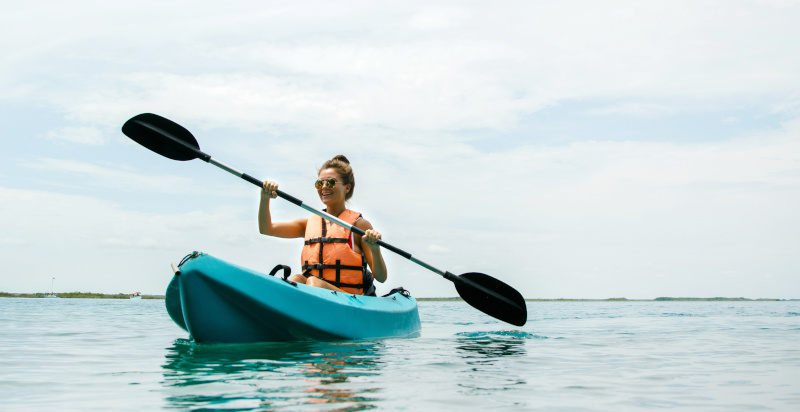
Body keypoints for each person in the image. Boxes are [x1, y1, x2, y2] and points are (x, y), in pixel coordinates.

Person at [258, 155, 386, 295]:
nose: (324, 187)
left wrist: (375, 249)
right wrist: (265, 198)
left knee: (313, 282)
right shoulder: (308, 224)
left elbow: (381, 277)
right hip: (318, 295)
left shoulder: (359, 225)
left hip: (349, 301)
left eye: (330, 182)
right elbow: (266, 228)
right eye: (319, 183)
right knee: (297, 279)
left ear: (347, 188)